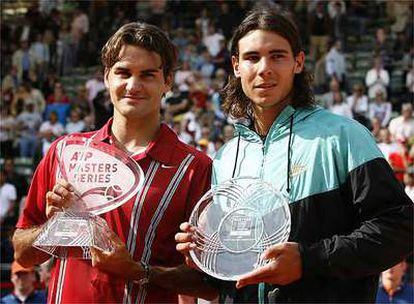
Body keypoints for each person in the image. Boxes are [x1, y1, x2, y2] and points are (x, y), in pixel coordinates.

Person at [176, 8, 413, 303]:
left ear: (298, 62)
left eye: (277, 56)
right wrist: (204, 255)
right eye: (252, 58)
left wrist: (309, 260)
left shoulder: (343, 136)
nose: (264, 69)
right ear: (236, 66)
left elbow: (400, 227)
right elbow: (230, 276)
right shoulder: (225, 159)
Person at [12, 22, 217, 303]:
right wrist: (54, 227)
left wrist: (137, 271)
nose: (133, 85)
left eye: (147, 75)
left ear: (168, 81)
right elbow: (23, 255)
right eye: (123, 72)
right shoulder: (65, 153)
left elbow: (208, 283)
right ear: (107, 76)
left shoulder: (194, 168)